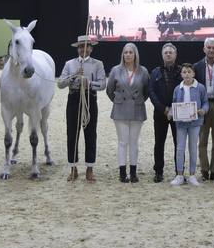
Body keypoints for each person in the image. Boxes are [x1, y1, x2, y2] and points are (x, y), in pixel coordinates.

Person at [56, 34, 106, 182]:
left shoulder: (98, 64)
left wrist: (89, 83)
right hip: (73, 100)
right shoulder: (69, 64)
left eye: (87, 46)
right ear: (77, 49)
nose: (84, 49)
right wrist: (74, 76)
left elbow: (102, 84)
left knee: (91, 134)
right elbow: (60, 84)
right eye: (81, 47)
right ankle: (73, 168)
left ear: (91, 48)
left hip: (90, 99)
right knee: (72, 134)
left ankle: (90, 168)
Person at [106, 42, 150, 182]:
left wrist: (137, 100)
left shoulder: (143, 71)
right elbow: (109, 90)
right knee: (122, 142)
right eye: (126, 52)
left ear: (135, 54)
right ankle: (122, 172)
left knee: (134, 142)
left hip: (137, 110)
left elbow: (147, 91)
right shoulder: (115, 70)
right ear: (122, 55)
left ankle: (133, 172)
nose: (128, 55)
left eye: (131, 52)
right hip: (120, 110)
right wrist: (119, 101)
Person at [170, 63, 207, 185]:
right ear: (181, 74)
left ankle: (192, 175)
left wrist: (203, 110)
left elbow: (205, 102)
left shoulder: (200, 87)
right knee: (180, 148)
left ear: (193, 74)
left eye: (189, 72)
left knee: (192, 148)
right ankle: (180, 175)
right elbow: (174, 104)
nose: (186, 74)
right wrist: (172, 112)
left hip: (195, 123)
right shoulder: (177, 88)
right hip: (180, 123)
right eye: (184, 72)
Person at [148, 43, 180, 182]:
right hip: (160, 113)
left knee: (179, 144)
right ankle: (158, 171)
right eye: (166, 52)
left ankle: (179, 171)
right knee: (159, 143)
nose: (168, 54)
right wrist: (164, 109)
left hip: (178, 114)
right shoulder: (155, 72)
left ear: (175, 55)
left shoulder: (182, 71)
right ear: (162, 55)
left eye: (170, 52)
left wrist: (173, 109)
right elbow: (151, 92)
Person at [193, 38, 214, 182]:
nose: (211, 50)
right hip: (203, 106)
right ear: (204, 49)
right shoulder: (197, 66)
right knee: (203, 140)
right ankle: (204, 170)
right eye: (208, 47)